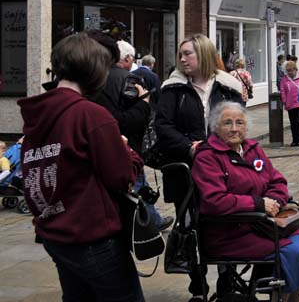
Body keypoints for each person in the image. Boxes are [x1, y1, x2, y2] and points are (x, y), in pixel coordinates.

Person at [19, 33, 145, 301]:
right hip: (93, 235)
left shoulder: (38, 113)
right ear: (95, 72)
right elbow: (121, 176)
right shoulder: (90, 114)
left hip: (55, 232)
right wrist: (129, 152)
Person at [193, 103, 299, 302]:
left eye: (239, 123)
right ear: (216, 127)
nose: (234, 128)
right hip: (230, 232)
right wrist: (258, 204)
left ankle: (289, 298)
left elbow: (277, 181)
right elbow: (215, 200)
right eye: (227, 123)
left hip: (262, 226)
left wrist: (274, 201)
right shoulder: (208, 157)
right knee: (295, 252)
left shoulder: (252, 149)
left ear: (246, 127)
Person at [156, 33, 244, 300]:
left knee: (228, 224)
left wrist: (219, 148)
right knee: (191, 230)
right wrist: (189, 146)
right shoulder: (172, 88)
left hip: (224, 170)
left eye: (188, 54)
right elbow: (163, 126)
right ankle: (198, 287)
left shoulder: (228, 87)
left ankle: (227, 282)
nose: (182, 59)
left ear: (204, 55)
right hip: (184, 173)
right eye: (180, 55)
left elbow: (237, 124)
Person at [88, 35, 171, 231]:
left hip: (104, 144)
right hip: (126, 144)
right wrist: (144, 103)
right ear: (124, 59)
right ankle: (146, 221)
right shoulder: (127, 79)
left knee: (135, 184)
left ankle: (151, 219)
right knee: (136, 184)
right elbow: (127, 120)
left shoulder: (94, 80)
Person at [281, 60, 299, 147]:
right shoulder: (284, 80)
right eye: (288, 71)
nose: (290, 72)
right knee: (293, 123)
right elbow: (283, 91)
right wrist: (284, 101)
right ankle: (295, 140)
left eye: (292, 70)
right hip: (290, 104)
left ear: (295, 69)